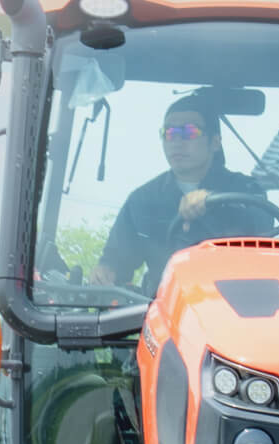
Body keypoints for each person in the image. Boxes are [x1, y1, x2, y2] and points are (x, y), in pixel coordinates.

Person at [92, 92, 268, 293]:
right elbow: (115, 261)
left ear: (215, 142)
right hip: (164, 313)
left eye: (189, 132)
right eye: (169, 133)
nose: (176, 141)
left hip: (237, 309)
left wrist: (213, 200)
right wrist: (106, 271)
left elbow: (263, 223)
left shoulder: (246, 190)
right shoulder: (143, 200)